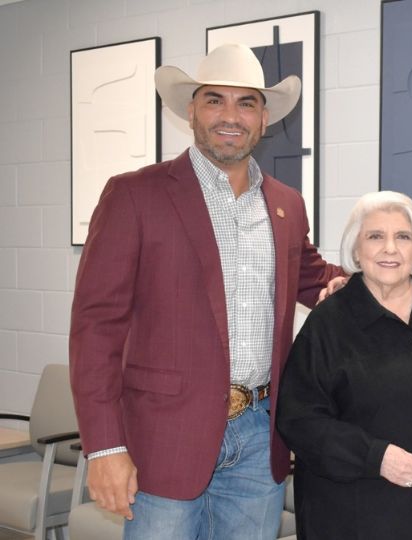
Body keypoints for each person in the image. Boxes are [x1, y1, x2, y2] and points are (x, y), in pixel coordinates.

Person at [69, 44, 347, 539]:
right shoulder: (134, 195)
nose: (230, 116)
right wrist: (106, 448)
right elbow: (95, 330)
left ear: (263, 119)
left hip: (261, 435)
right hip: (163, 438)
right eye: (214, 100)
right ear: (191, 111)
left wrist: (401, 274)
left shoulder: (286, 205)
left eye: (246, 103)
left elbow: (316, 278)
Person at [276, 191, 412, 539]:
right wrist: (374, 456)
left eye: (403, 237)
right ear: (355, 249)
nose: (390, 249)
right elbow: (299, 419)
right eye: (375, 236)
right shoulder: (329, 322)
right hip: (356, 515)